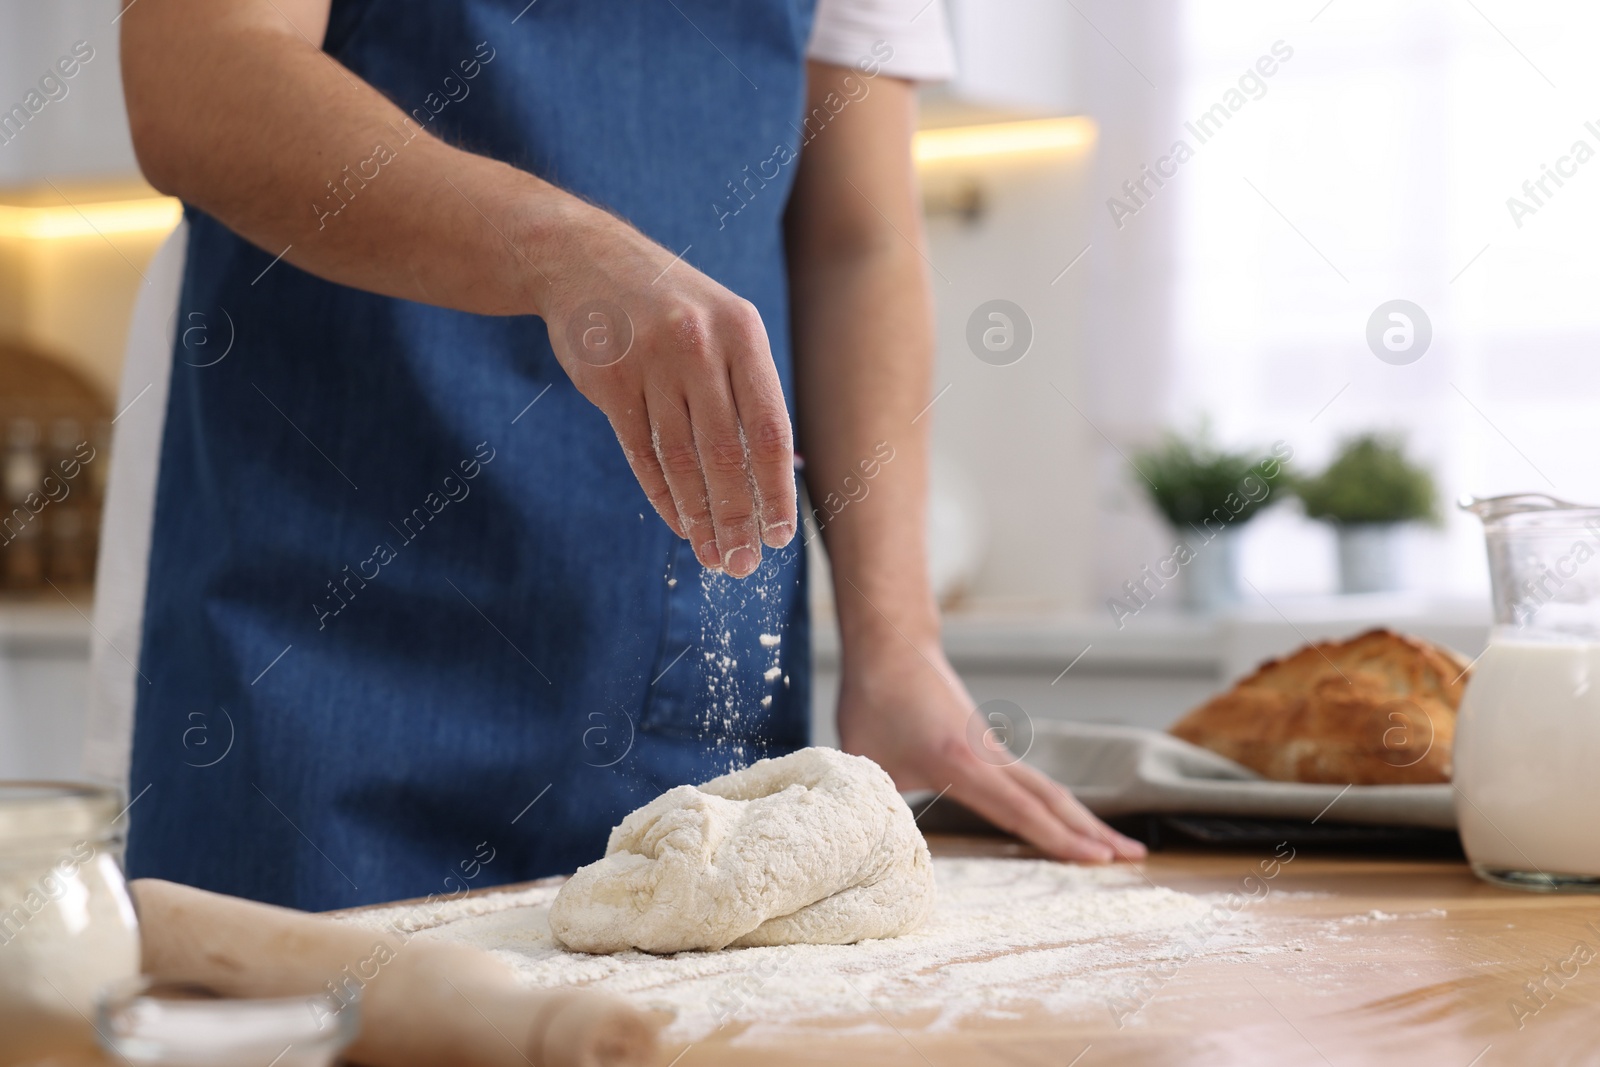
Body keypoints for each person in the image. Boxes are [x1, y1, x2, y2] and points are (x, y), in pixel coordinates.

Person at [93, 0, 1143, 911]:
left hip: (682, 672)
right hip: (317, 660)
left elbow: (855, 240)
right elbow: (197, 75)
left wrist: (895, 639)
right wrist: (558, 251)